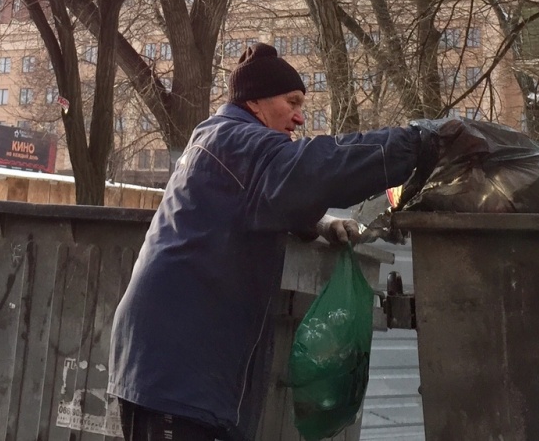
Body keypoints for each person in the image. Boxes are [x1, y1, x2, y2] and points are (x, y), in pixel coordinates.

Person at [108, 43, 437, 440]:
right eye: (292, 102)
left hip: (174, 360)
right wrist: (417, 143)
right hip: (178, 370)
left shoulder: (220, 138)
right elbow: (319, 169)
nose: (299, 117)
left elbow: (258, 200)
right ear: (255, 102)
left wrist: (317, 221)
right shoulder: (239, 142)